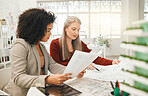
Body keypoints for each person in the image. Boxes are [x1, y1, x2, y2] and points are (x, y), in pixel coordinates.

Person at [3, 9, 85, 96]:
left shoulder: (41, 46)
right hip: (19, 93)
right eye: (48, 30)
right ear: (36, 29)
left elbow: (52, 65)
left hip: (37, 91)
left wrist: (73, 72)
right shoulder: (20, 46)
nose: (50, 33)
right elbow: (18, 78)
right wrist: (47, 79)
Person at [50, 16, 120, 68]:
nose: (76, 33)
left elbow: (93, 58)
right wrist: (81, 65)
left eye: (78, 30)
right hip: (61, 77)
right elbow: (55, 65)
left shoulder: (80, 44)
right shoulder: (55, 44)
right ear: (65, 28)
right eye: (73, 29)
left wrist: (111, 62)